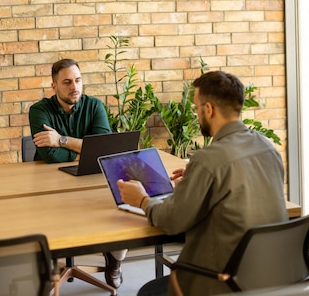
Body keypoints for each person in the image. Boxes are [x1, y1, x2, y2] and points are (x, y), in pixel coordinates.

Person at [117, 70, 288, 296]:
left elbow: (172, 221)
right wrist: (198, 177)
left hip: (220, 281)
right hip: (270, 275)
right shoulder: (267, 148)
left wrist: (141, 200)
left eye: (197, 107)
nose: (197, 113)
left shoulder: (207, 160)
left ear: (209, 109)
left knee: (148, 292)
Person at [29, 58, 126, 289]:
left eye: (78, 80)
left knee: (120, 208)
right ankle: (49, 267)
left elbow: (103, 149)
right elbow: (50, 157)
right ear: (54, 86)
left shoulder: (95, 107)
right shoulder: (39, 110)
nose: (75, 87)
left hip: (90, 178)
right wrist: (85, 149)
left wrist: (61, 140)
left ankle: (114, 261)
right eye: (67, 82)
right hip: (49, 183)